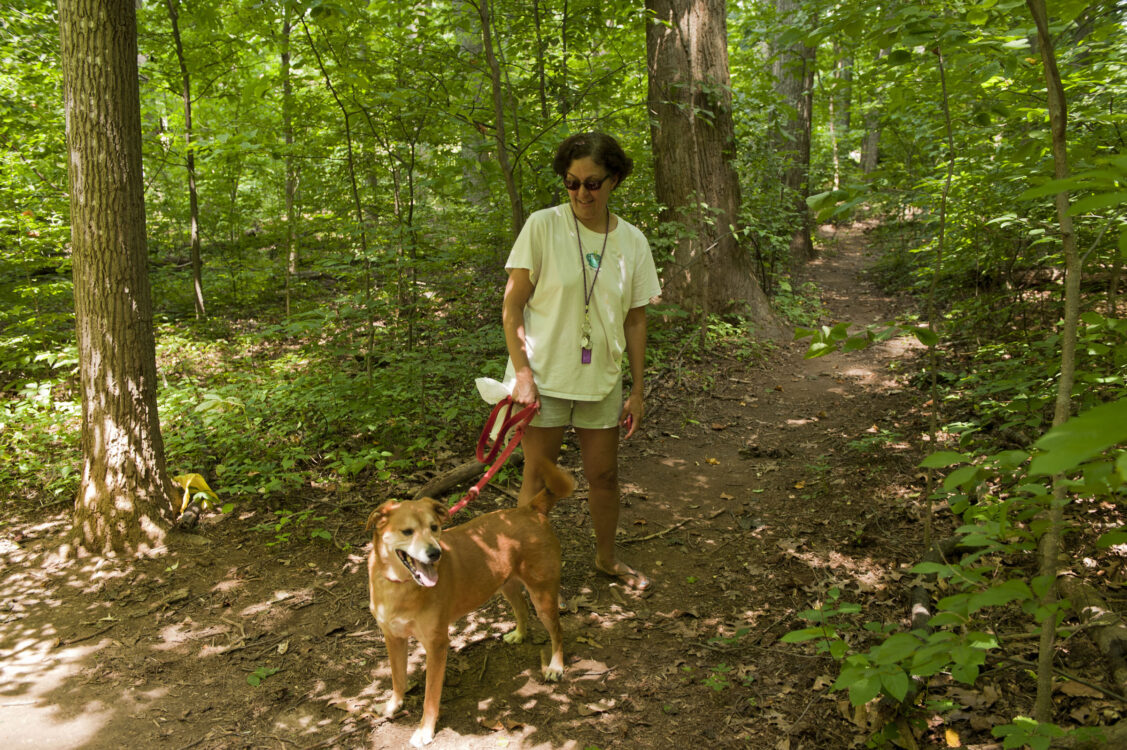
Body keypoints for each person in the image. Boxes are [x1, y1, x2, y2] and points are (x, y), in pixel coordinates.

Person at [502, 132, 662, 591]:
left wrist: (636, 390)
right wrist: (524, 375)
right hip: (545, 376)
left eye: (592, 183)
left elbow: (635, 321)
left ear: (614, 180)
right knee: (538, 478)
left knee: (604, 475)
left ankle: (607, 558)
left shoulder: (632, 241)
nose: (581, 194)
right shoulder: (542, 226)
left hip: (601, 380)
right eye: (571, 183)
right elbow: (512, 307)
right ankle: (525, 567)